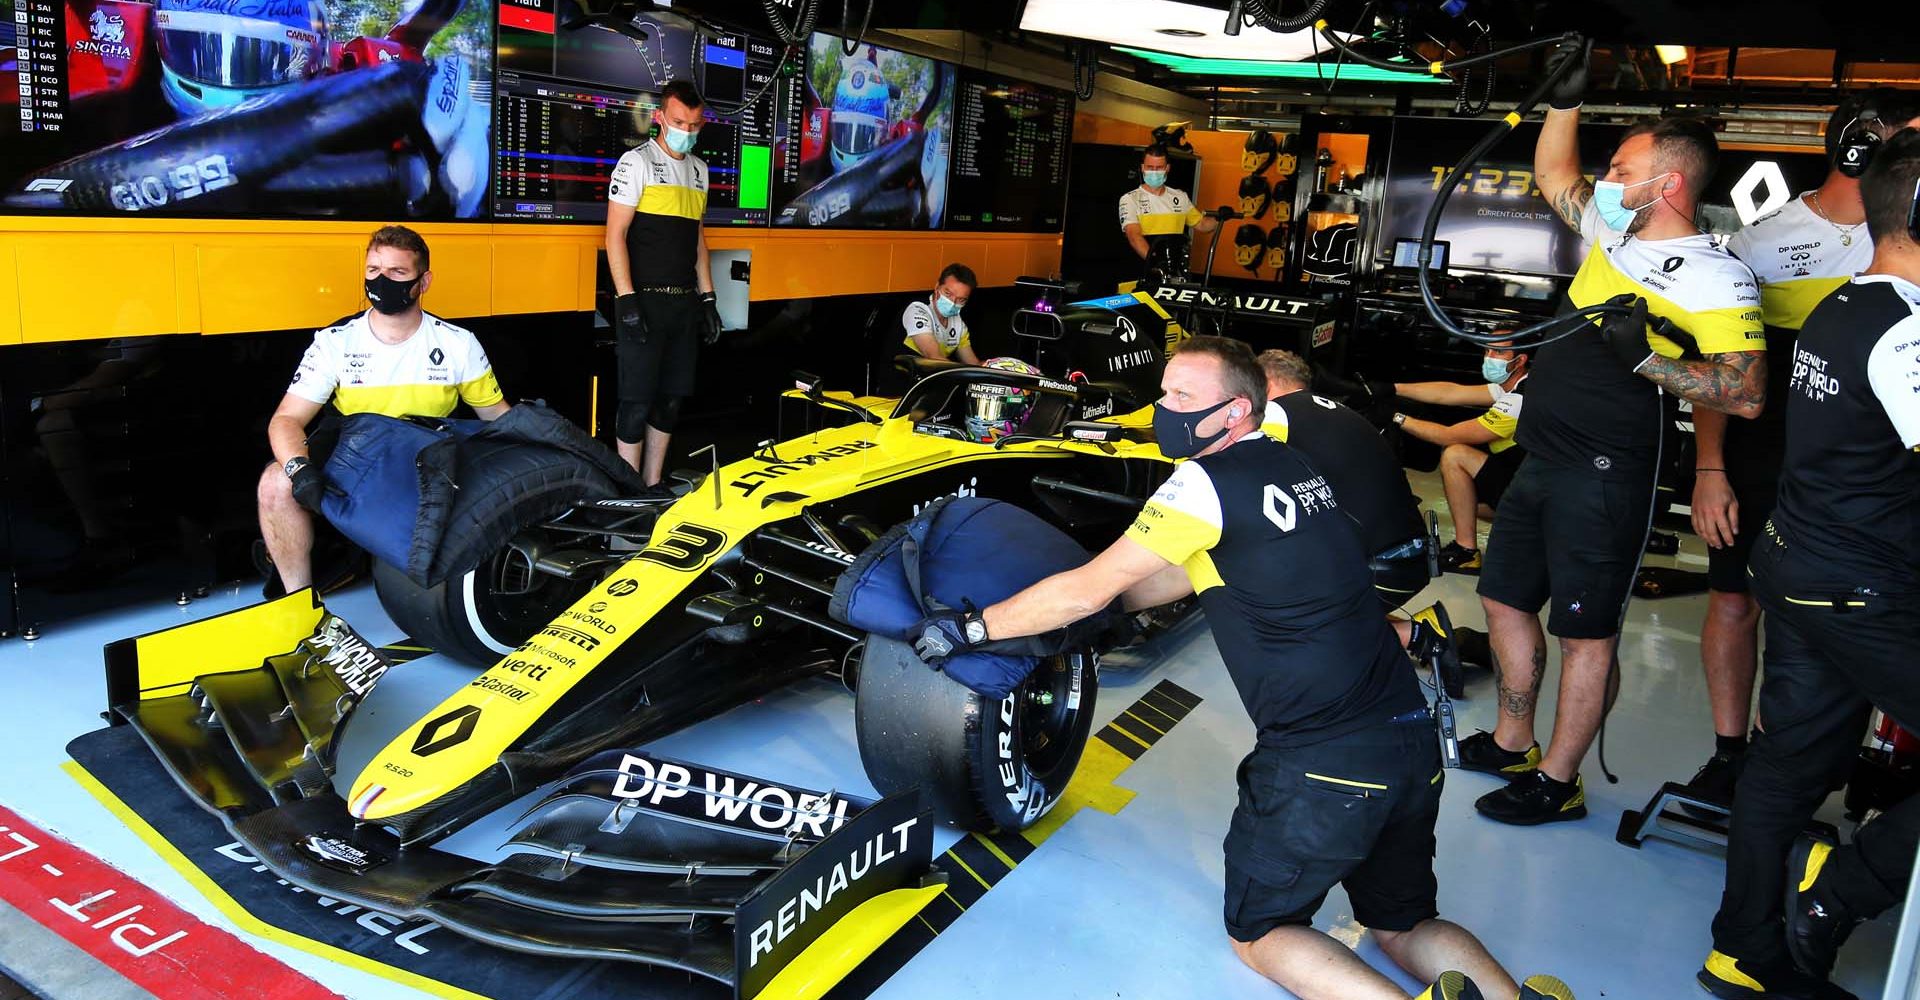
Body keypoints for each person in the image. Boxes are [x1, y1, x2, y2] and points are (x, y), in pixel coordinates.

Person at [911, 337, 1573, 1000]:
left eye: (1180, 398)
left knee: (1261, 934)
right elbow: (1185, 569)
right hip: (1407, 739)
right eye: (1164, 391)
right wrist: (1113, 609)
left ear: (1234, 412)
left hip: (1323, 764)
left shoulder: (1201, 484)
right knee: (1402, 923)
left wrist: (971, 628)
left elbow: (1089, 586)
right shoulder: (1292, 465)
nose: (1161, 408)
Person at [1465, 43, 1767, 826]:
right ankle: (1514, 738)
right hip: (1542, 453)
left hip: (1607, 474)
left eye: (1622, 164)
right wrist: (1564, 101)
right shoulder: (1617, 233)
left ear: (1665, 182)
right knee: (1502, 599)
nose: (1607, 176)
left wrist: (1646, 359)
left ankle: (1560, 782)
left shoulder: (1715, 272)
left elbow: (1746, 392)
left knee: (1586, 635)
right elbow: (1555, 179)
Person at [1698, 127, 1920, 1000]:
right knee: (1788, 764)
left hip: (1801, 569)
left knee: (1786, 764)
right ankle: (1837, 898)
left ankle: (1742, 951)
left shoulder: (1843, 305)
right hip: (1863, 588)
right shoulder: (1906, 334)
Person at [260, 225, 510, 594]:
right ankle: (297, 599)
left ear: (423, 282)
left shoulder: (458, 344)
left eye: (397, 273)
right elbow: (285, 420)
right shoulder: (335, 343)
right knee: (274, 483)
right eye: (374, 271)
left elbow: (498, 420)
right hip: (355, 463)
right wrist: (300, 471)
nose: (382, 280)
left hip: (428, 466)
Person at [604, 79, 725, 486]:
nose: (686, 132)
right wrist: (626, 300)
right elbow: (614, 235)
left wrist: (708, 299)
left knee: (670, 402)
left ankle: (652, 488)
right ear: (659, 117)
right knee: (636, 404)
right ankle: (628, 490)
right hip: (643, 303)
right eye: (678, 122)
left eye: (694, 125)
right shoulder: (635, 162)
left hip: (683, 305)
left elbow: (698, 240)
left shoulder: (700, 171)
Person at [1391, 339, 1533, 574]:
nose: (1489, 356)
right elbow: (1450, 393)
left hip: (1533, 493)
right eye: (1487, 349)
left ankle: (1466, 553)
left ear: (1520, 360)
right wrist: (1393, 388)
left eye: (1498, 351)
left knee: (1455, 454)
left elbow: (1449, 435)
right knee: (1465, 503)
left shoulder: (1519, 400)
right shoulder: (1512, 385)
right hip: (1529, 480)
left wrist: (1398, 417)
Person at [1118, 144, 1219, 273]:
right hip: (1143, 269)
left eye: (1159, 168)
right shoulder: (1130, 199)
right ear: (1142, 168)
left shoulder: (1179, 197)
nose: (1154, 172)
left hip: (1175, 270)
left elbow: (1202, 224)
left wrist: (1220, 217)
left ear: (1167, 168)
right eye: (1150, 167)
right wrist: (1156, 263)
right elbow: (1134, 236)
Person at [902, 263, 982, 365]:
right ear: (937, 287)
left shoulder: (959, 325)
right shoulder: (917, 309)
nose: (952, 302)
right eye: (948, 293)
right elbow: (934, 357)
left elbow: (974, 364)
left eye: (961, 299)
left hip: (932, 377)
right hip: (902, 377)